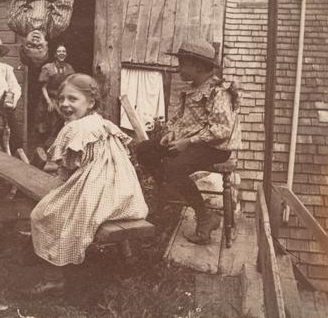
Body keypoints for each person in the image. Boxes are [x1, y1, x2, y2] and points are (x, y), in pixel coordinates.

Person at [29, 74, 149, 295]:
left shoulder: (74, 129)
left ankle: (53, 277)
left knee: (44, 215)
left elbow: (67, 171)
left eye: (72, 99)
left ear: (90, 102)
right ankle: (127, 260)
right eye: (61, 98)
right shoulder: (103, 124)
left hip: (97, 192)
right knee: (61, 208)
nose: (64, 104)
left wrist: (59, 191)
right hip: (124, 195)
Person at [135, 40, 241, 245]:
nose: (178, 68)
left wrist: (188, 142)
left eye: (182, 64)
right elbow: (181, 119)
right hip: (190, 142)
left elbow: (221, 130)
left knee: (175, 169)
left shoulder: (218, 91)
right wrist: (172, 133)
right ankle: (168, 189)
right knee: (145, 149)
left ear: (199, 67)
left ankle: (204, 217)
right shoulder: (191, 89)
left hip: (214, 147)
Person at [34, 44, 74, 146]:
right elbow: (43, 87)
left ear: (66, 54)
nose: (62, 53)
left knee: (61, 122)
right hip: (47, 99)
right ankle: (42, 148)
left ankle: (55, 147)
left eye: (64, 51)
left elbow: (71, 86)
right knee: (45, 124)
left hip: (61, 99)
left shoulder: (69, 68)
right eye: (59, 51)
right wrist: (49, 102)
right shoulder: (48, 68)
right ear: (55, 54)